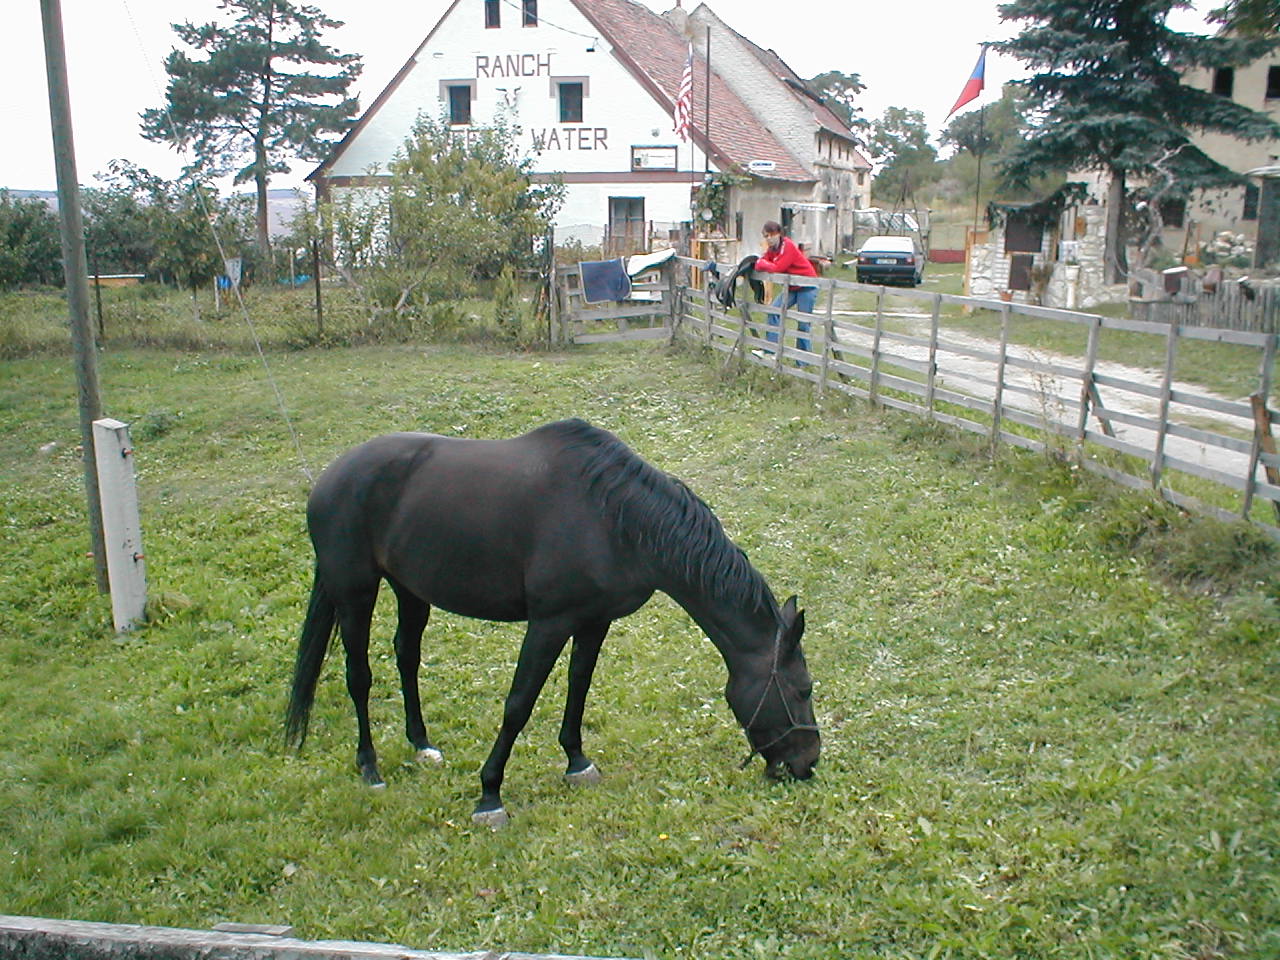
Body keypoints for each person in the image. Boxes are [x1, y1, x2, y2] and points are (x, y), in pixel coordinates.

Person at [752, 221, 818, 354]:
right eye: (766, 236)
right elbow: (760, 263)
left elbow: (778, 268)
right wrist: (762, 263)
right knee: (774, 311)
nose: (769, 239)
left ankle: (804, 362)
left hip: (807, 286)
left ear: (779, 234)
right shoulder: (772, 250)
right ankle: (770, 351)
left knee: (803, 323)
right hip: (792, 287)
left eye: (771, 235)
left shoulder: (788, 246)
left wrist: (764, 264)